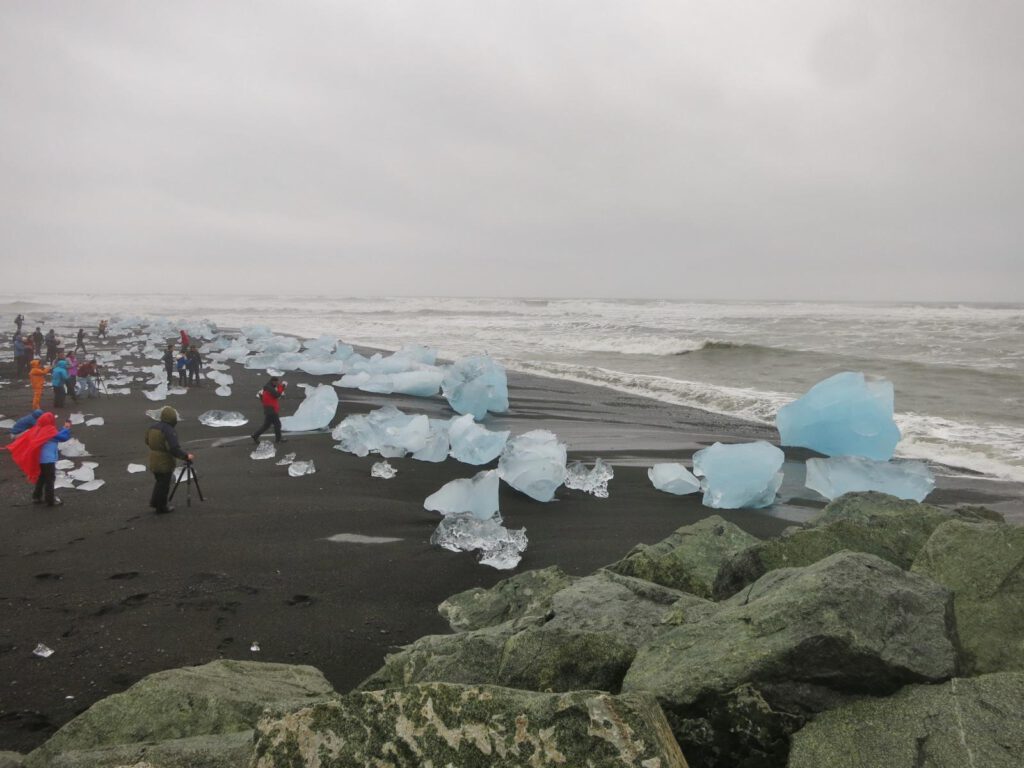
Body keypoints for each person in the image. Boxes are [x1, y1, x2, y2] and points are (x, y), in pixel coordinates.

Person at [3, 412, 72, 507]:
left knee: (41, 478)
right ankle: (50, 500)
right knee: (50, 480)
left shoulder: (37, 430)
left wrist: (63, 429)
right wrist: (66, 428)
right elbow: (63, 437)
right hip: (48, 461)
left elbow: (55, 434)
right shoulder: (50, 431)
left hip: (39, 460)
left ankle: (36, 497)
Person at [145, 406, 193, 514]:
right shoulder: (169, 430)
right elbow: (174, 449)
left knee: (159, 482)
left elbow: (146, 440)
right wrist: (186, 456)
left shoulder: (152, 427)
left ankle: (155, 502)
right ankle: (161, 507)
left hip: (153, 460)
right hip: (164, 462)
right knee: (164, 484)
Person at [251, 376, 288, 444]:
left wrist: (281, 388)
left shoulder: (268, 387)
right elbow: (277, 395)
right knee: (277, 424)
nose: (277, 383)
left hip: (268, 409)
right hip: (271, 409)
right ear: (273, 381)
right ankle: (278, 440)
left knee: (266, 425)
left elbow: (270, 396)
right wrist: (281, 387)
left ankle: (255, 435)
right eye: (276, 382)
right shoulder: (269, 388)